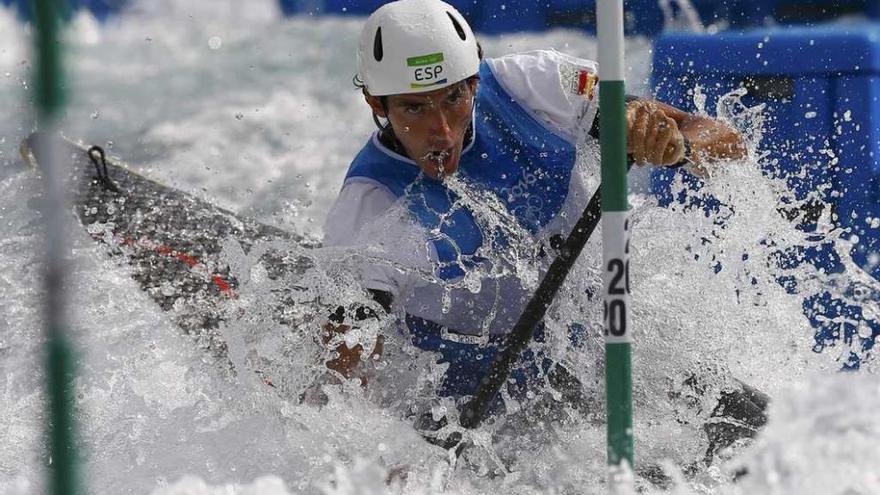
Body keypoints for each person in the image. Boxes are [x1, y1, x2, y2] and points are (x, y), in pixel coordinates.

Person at [316, 0, 758, 453]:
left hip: (591, 347)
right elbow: (341, 389)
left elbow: (726, 141)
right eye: (414, 109)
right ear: (377, 104)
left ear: (476, 78)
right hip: (462, 410)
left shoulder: (538, 88)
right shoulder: (369, 211)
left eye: (455, 98)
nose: (442, 130)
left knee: (757, 433)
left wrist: (676, 144)